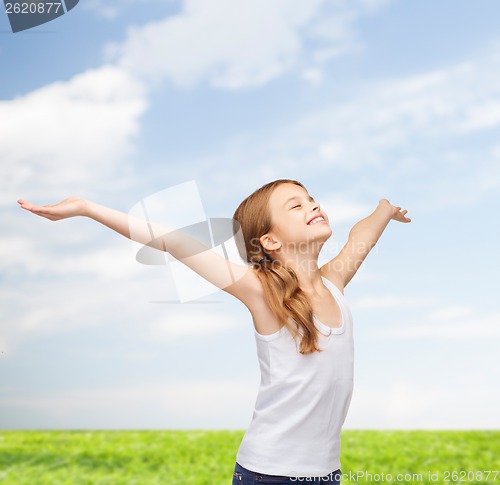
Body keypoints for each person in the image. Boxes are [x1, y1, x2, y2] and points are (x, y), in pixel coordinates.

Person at [18, 179, 411, 483]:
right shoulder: (260, 291)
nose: (313, 205)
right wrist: (87, 208)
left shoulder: (334, 283)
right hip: (269, 474)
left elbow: (363, 237)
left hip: (326, 472)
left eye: (311, 199)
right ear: (270, 241)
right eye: (296, 205)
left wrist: (383, 210)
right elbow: (172, 242)